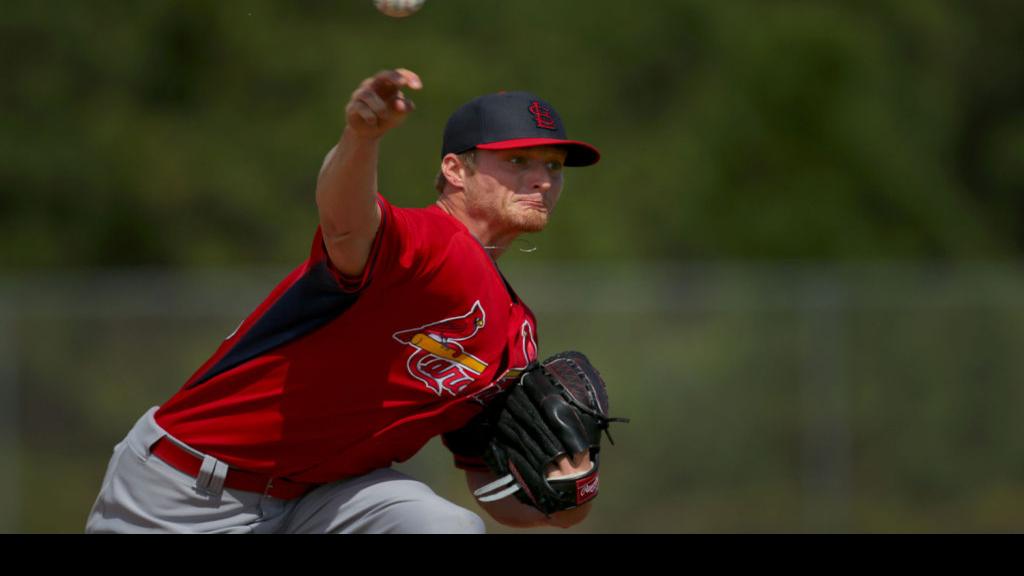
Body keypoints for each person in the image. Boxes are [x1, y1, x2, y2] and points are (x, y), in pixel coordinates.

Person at [85, 68, 602, 533]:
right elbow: (346, 222)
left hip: (323, 504)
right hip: (188, 490)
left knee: (442, 525)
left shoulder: (515, 335)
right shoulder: (427, 243)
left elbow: (509, 504)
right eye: (518, 160)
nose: (542, 179)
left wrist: (573, 491)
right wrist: (360, 138)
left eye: (554, 167)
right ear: (455, 169)